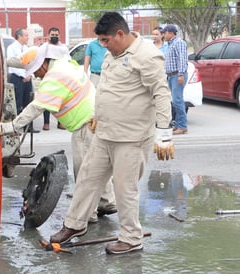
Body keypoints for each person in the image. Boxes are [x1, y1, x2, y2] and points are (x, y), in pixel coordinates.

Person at [49, 12, 174, 255]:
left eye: (106, 40)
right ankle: (74, 225)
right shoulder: (111, 53)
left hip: (131, 138)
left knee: (124, 189)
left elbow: (161, 93)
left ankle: (131, 238)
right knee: (87, 179)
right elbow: (106, 88)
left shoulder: (146, 56)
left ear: (120, 33)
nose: (103, 45)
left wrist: (164, 133)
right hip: (105, 133)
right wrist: (97, 115)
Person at [0, 43, 116, 222]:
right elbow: (23, 60)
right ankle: (106, 202)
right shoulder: (64, 63)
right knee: (98, 167)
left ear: (43, 64)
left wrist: (8, 127)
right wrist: (0, 60)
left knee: (85, 172)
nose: (35, 75)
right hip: (98, 119)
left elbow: (36, 108)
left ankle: (88, 214)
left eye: (35, 71)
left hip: (85, 127)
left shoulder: (53, 79)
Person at [7, 28, 39, 133]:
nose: (27, 37)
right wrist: (23, 76)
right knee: (17, 103)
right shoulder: (11, 48)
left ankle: (28, 127)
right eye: (26, 35)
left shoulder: (27, 48)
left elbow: (31, 63)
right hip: (17, 78)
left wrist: (29, 75)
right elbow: (13, 63)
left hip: (27, 78)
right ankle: (14, 128)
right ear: (19, 36)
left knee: (28, 102)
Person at [162, 24, 188, 135]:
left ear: (171, 33)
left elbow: (182, 59)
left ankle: (182, 126)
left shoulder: (179, 43)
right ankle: (178, 124)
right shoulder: (170, 44)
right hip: (171, 75)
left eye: (165, 33)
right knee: (175, 101)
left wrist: (181, 74)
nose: (163, 35)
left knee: (178, 101)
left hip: (177, 75)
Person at [42, 27, 69, 131]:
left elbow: (67, 61)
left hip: (60, 78)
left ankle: (61, 122)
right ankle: (46, 123)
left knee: (60, 100)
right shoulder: (45, 47)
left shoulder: (63, 48)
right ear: (48, 36)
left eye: (56, 35)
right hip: (47, 77)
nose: (54, 36)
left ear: (59, 36)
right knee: (46, 100)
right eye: (52, 35)